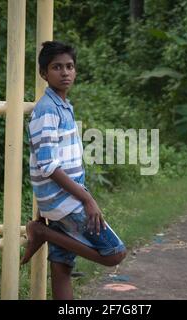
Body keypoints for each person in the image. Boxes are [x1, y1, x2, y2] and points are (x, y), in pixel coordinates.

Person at [21, 41, 127, 300]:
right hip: (66, 201)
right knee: (115, 254)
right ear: (44, 74)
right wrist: (87, 199)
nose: (65, 72)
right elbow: (48, 165)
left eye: (69, 66)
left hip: (61, 200)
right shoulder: (47, 111)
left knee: (62, 268)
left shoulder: (62, 106)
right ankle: (42, 232)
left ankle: (50, 234)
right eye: (57, 67)